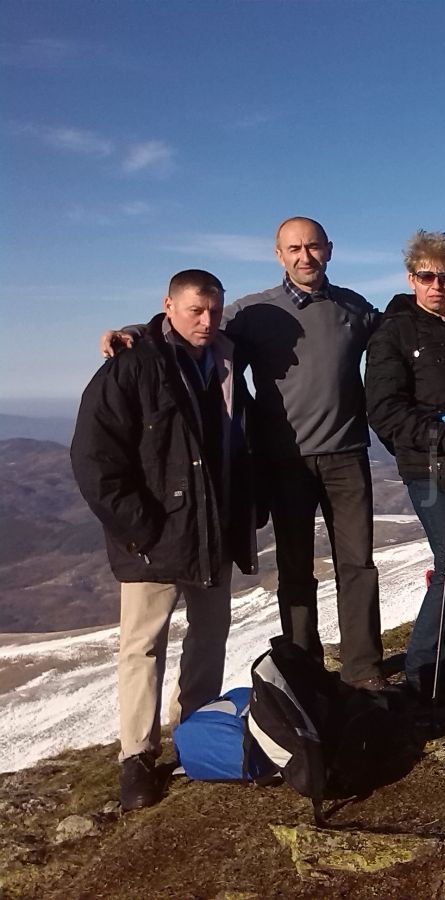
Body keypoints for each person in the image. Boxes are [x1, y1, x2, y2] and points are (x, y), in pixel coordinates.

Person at [101, 217, 387, 689]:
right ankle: (303, 671)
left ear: (330, 250)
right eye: (294, 248)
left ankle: (363, 668)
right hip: (285, 460)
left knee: (357, 565)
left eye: (313, 246)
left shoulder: (352, 307)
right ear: (279, 255)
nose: (305, 256)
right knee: (296, 569)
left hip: (347, 455)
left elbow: (397, 333)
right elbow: (190, 324)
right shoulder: (255, 312)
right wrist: (131, 331)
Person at [72, 270, 259, 810]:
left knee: (209, 636)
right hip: (152, 538)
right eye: (196, 310)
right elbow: (94, 459)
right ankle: (136, 757)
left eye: (215, 310)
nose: (207, 320)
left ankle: (194, 733)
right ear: (169, 307)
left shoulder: (226, 359)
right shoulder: (131, 366)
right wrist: (142, 528)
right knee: (142, 646)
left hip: (213, 530)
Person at [365, 231, 445, 702]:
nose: (437, 285)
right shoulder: (396, 332)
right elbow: (382, 407)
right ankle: (421, 671)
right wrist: (435, 434)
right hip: (429, 467)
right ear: (411, 278)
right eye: (427, 276)